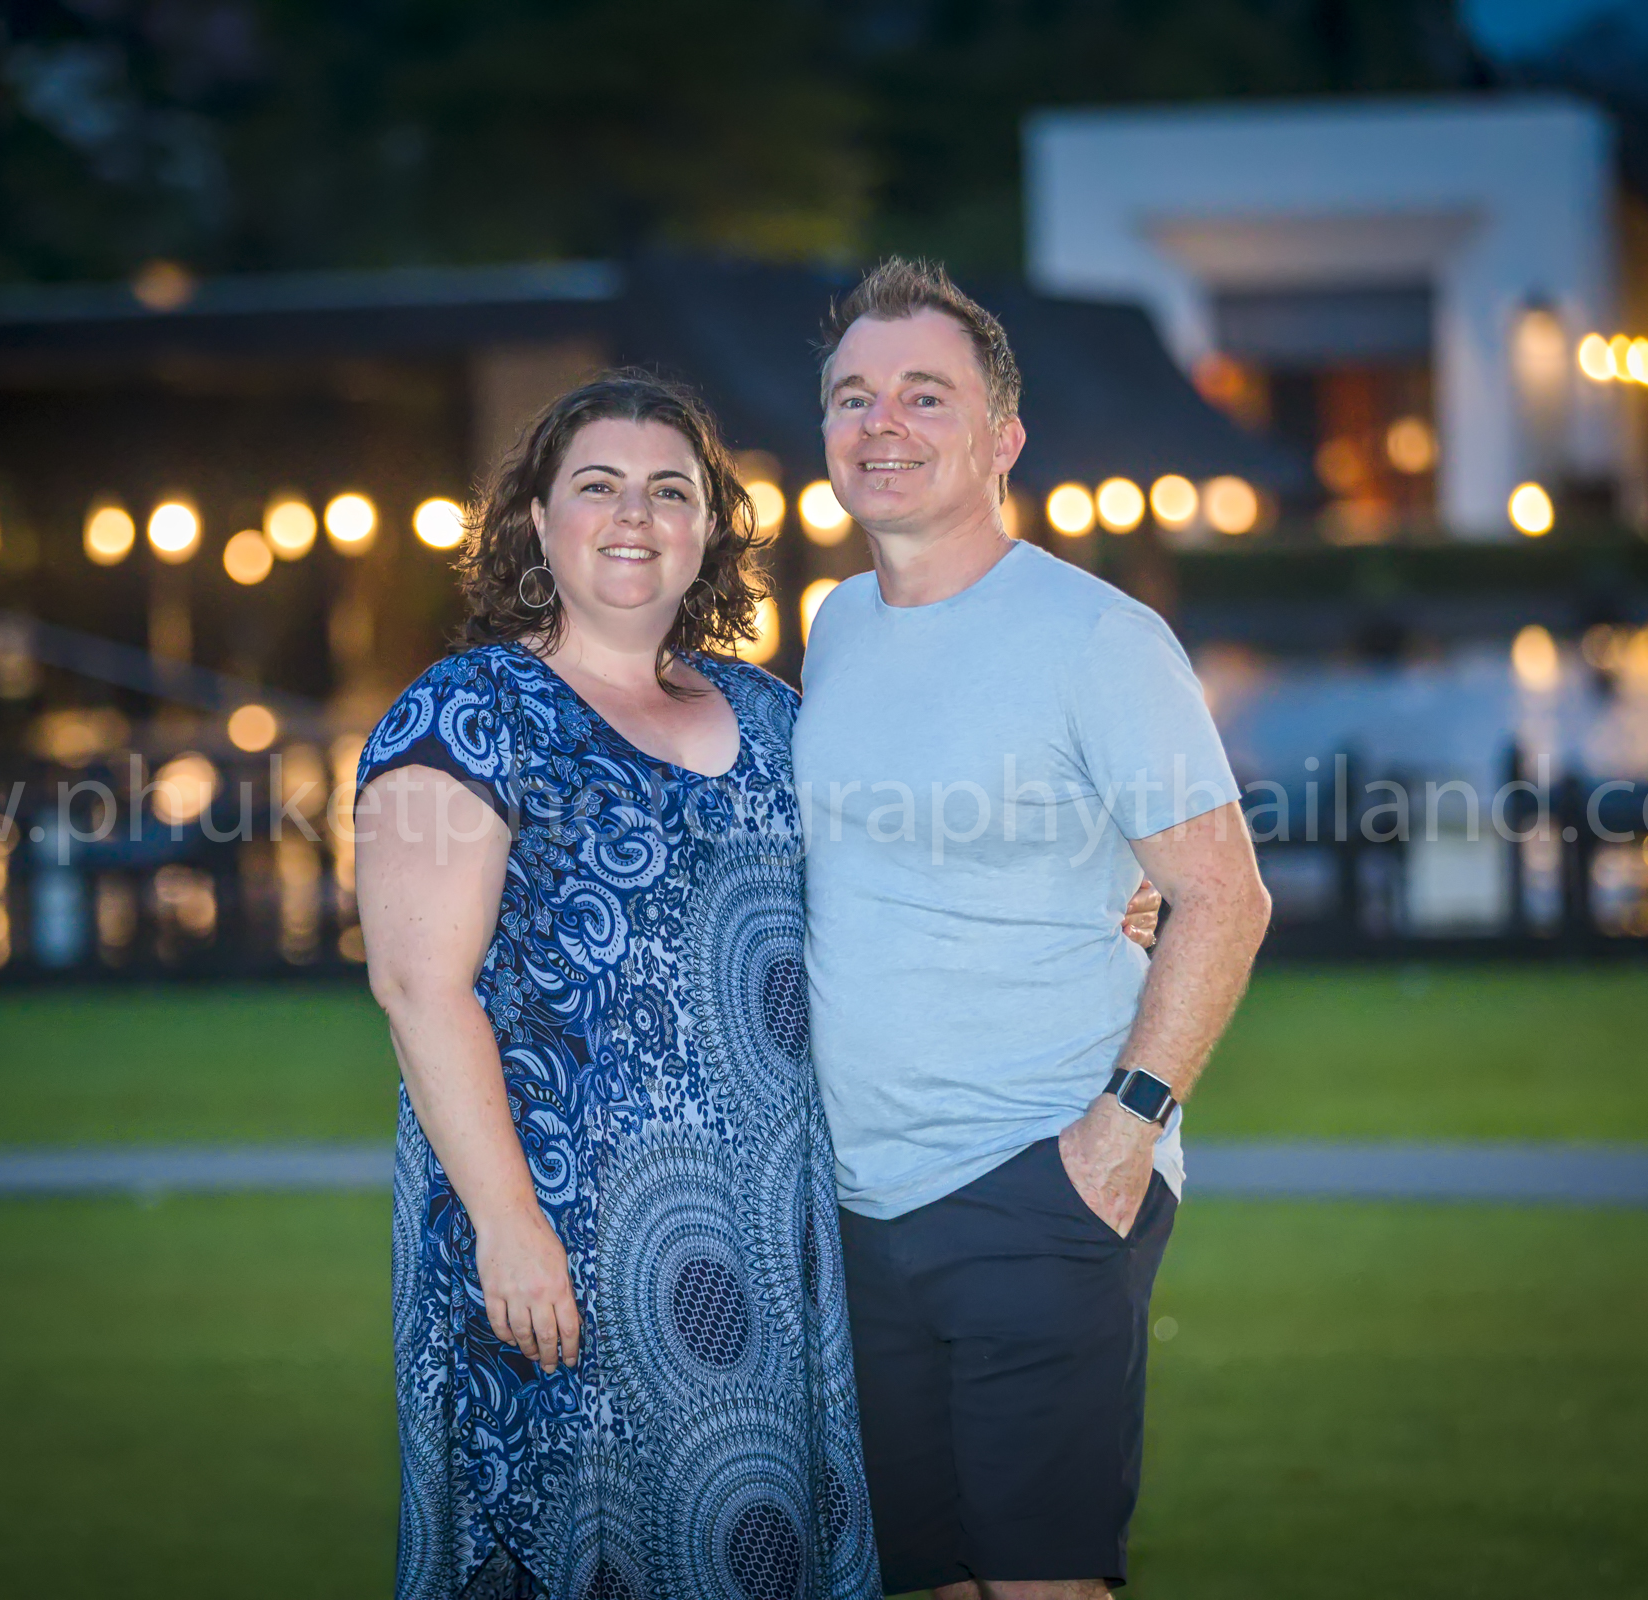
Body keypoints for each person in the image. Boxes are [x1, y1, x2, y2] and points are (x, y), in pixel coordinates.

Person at [352, 373, 881, 1600]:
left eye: (669, 490)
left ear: (709, 527)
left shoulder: (774, 714)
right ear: (538, 520)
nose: (634, 514)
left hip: (765, 1243)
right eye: (598, 486)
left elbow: (890, 893)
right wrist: (508, 1224)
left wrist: (1096, 895)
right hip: (561, 1245)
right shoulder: (469, 714)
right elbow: (419, 986)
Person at [795, 260, 1274, 1599]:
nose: (882, 422)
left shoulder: (1096, 636)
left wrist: (1121, 1136)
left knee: (1042, 1584)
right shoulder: (833, 626)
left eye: (924, 394)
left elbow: (1225, 893)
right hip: (858, 1206)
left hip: (1035, 1178)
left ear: (1003, 437)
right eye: (853, 396)